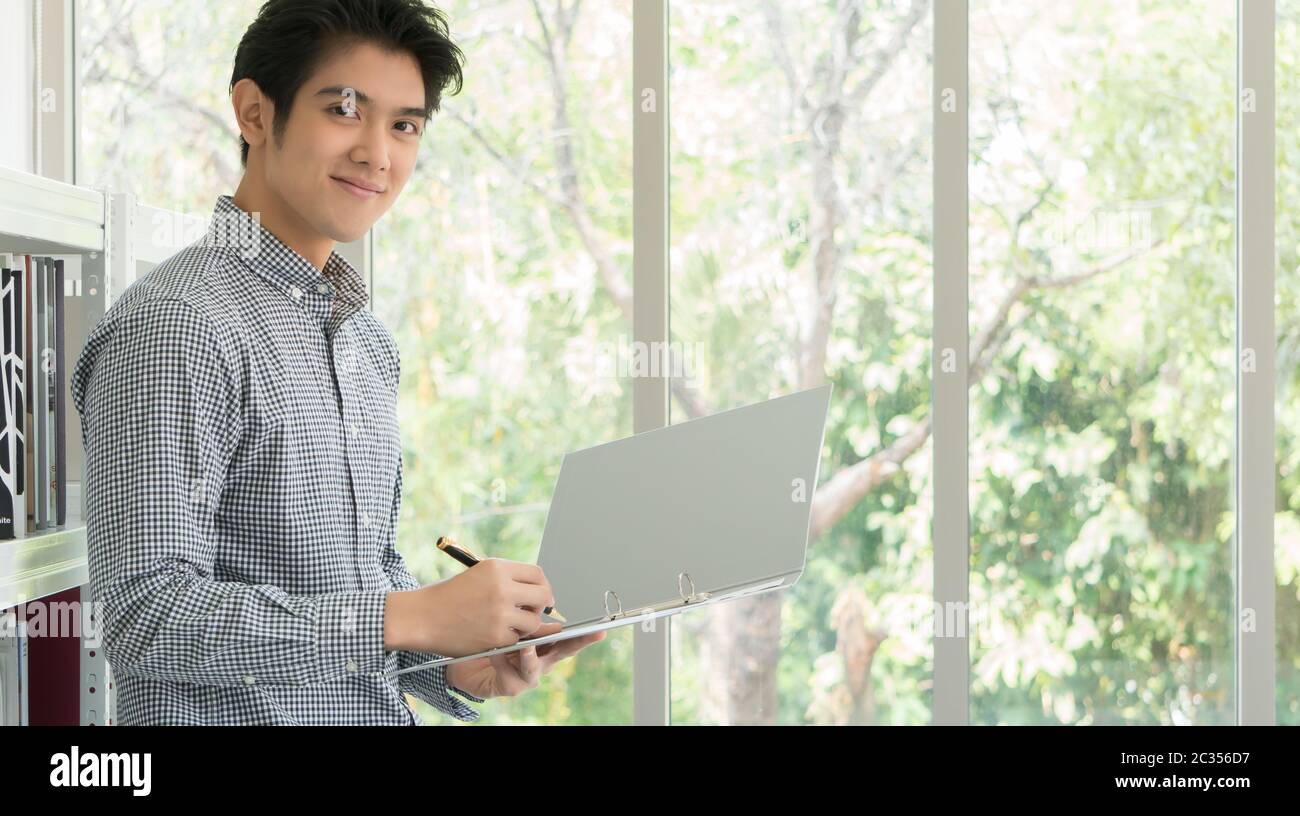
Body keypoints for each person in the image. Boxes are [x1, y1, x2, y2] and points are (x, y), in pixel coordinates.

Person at [70, 0, 603, 726]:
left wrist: (460, 661)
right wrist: (403, 616)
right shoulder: (176, 327)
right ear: (255, 113)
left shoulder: (366, 344)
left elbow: (360, 581)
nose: (378, 154)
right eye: (346, 110)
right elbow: (144, 616)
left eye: (405, 126)